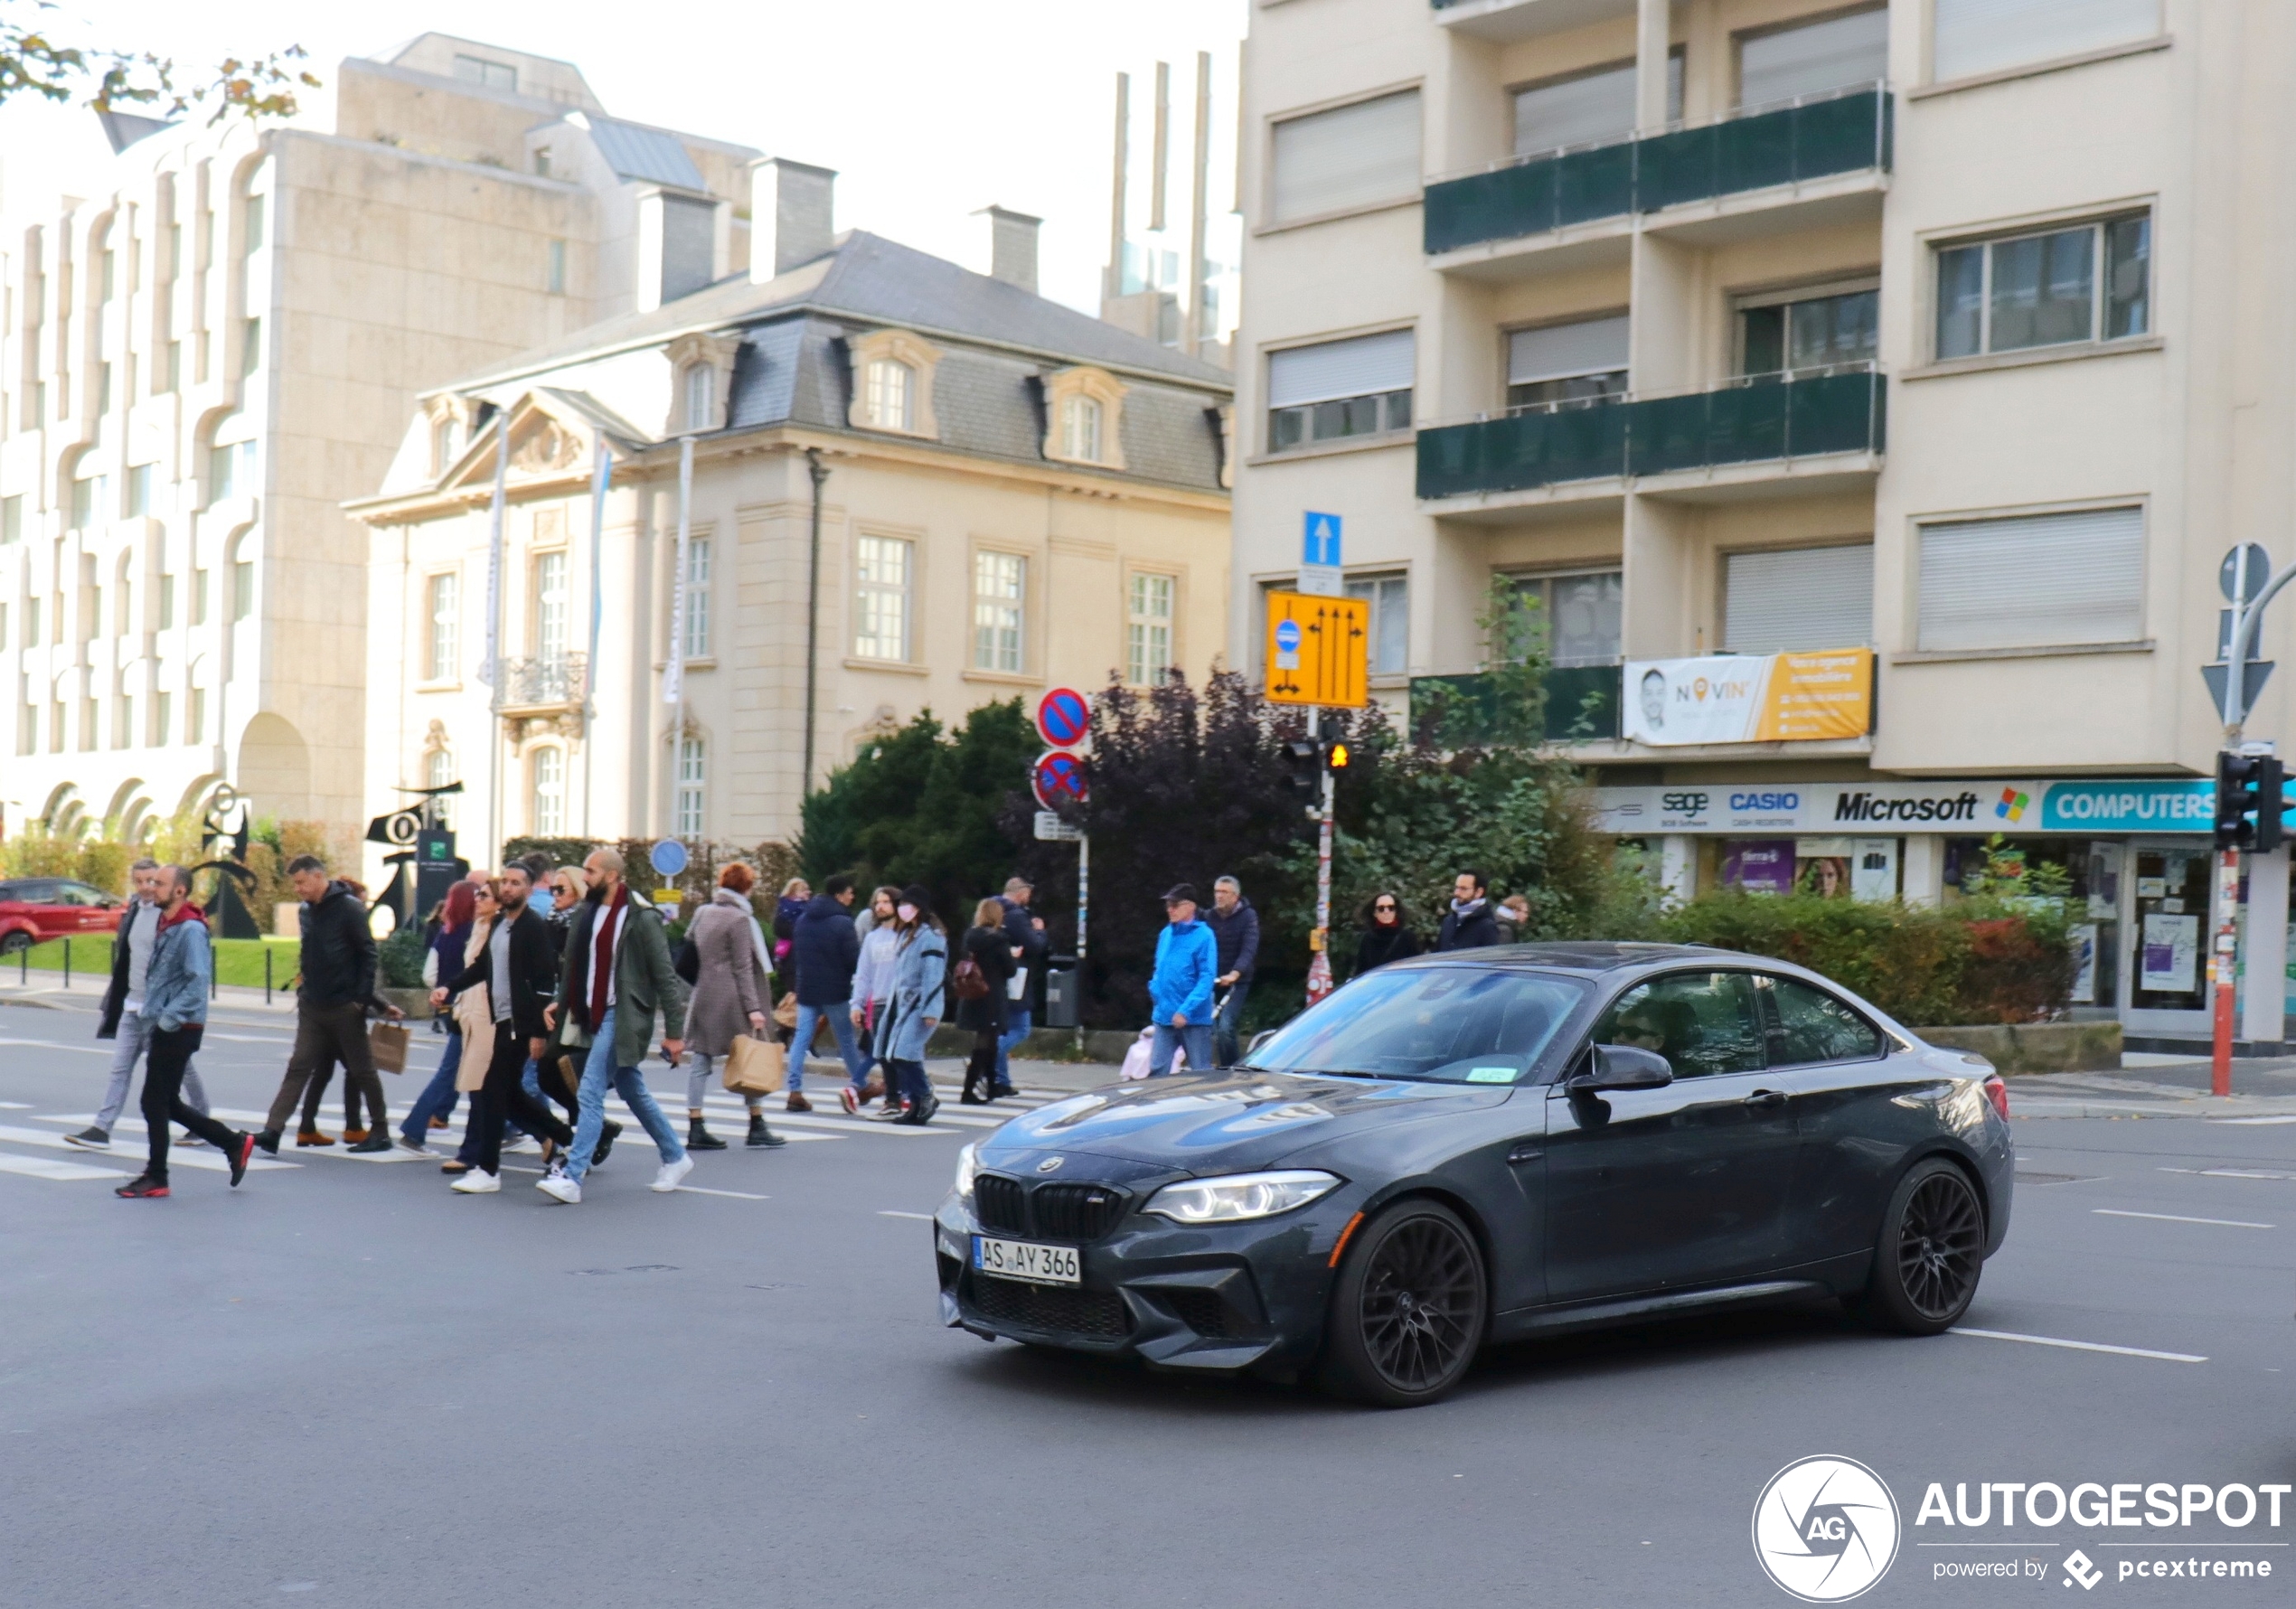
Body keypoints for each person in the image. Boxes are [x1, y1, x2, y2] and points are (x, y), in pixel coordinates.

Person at [538, 846, 693, 1205]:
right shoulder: (588, 912)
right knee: (631, 1088)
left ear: (610, 876)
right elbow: (579, 964)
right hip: (589, 1012)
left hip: (620, 1015)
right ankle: (675, 1155)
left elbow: (665, 977)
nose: (584, 877)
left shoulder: (640, 917)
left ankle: (572, 1177)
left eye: (590, 871)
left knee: (590, 1090)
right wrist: (564, 1000)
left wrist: (674, 1033)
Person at [112, 865, 259, 1198]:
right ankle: (234, 1143)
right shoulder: (170, 923)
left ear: (180, 890)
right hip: (167, 1024)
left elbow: (197, 982)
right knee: (166, 1102)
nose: (152, 887)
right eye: (151, 881)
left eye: (159, 883)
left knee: (154, 1101)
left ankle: (158, 1176)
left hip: (178, 1027)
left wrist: (167, 1018)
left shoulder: (189, 929)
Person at [429, 865, 574, 1194]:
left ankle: (487, 1169)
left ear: (527, 889)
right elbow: (482, 966)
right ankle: (569, 1139)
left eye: (516, 883)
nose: (508, 888)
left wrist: (538, 1032)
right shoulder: (499, 924)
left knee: (494, 1091)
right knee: (508, 1094)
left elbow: (543, 981)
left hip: (520, 1024)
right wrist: (450, 988)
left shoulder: (533, 928)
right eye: (504, 882)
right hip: (502, 1021)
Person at [71, 858, 213, 1151]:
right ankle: (102, 1128)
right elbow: (127, 957)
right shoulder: (136, 910)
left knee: (178, 1073)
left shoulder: (176, 921)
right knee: (120, 1069)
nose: (146, 887)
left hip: (159, 1009)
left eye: (153, 881)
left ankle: (202, 1122)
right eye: (139, 881)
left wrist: (169, 1014)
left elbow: (192, 975)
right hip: (133, 1005)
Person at [254, 856, 392, 1156]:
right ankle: (272, 1131)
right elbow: (309, 952)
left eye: (302, 882)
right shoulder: (307, 911)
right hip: (313, 1004)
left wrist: (363, 999)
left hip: (345, 1004)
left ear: (318, 877)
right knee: (299, 1067)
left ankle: (380, 1130)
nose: (298, 889)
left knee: (362, 1070)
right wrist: (304, 989)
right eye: (295, 883)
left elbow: (368, 954)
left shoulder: (349, 908)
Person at [681, 863, 786, 1151]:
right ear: (746, 888)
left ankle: (695, 1123)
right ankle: (756, 1123)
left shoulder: (703, 912)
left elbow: (689, 948)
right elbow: (742, 967)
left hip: (704, 993)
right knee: (748, 1057)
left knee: (701, 1062)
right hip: (733, 999)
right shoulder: (740, 919)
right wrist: (754, 1008)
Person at [396, 880, 477, 1154]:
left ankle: (429, 1121)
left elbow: (430, 974)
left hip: (448, 1007)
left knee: (455, 1071)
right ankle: (415, 1128)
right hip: (469, 1008)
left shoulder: (447, 932)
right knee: (454, 1072)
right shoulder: (475, 932)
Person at [788, 873, 866, 1113]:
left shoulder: (803, 919)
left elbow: (798, 955)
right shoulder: (843, 922)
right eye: (850, 893)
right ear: (839, 895)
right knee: (845, 1040)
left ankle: (794, 1090)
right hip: (835, 990)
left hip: (807, 988)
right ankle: (860, 1085)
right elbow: (854, 960)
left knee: (801, 1039)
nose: (852, 897)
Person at [872, 884, 946, 1125]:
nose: (903, 909)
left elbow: (933, 976)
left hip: (919, 1004)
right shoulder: (905, 936)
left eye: (908, 905)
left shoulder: (931, 938)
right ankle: (915, 1103)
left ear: (920, 909)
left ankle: (924, 1096)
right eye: (902, 904)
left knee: (905, 1054)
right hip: (902, 1005)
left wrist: (931, 1009)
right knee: (895, 1055)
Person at [842, 886, 901, 1115]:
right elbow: (863, 974)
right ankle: (894, 1098)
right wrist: (856, 1004)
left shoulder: (905, 935)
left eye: (886, 902)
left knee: (902, 1054)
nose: (881, 906)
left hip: (901, 1002)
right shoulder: (872, 939)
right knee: (883, 1054)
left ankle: (906, 1095)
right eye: (877, 903)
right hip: (877, 1002)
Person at [1146, 884, 1217, 1076]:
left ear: (1191, 906)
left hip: (1194, 1019)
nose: (1170, 909)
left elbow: (1206, 978)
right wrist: (1154, 990)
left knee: (1200, 1073)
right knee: (1157, 1072)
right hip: (1164, 1015)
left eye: (1175, 905)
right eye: (1168, 905)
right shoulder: (1165, 934)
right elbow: (1158, 969)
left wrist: (1186, 1011)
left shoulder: (1204, 936)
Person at [992, 876, 1047, 1099]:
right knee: (1020, 1029)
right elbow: (1034, 946)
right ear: (1021, 893)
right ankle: (986, 1058)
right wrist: (1041, 931)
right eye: (1028, 894)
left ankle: (1001, 1081)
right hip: (1017, 977)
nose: (1029, 899)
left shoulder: (992, 911)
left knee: (1003, 1028)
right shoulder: (1016, 915)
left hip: (997, 977)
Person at [956, 898, 1015, 1104]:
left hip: (973, 994)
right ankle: (968, 1090)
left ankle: (991, 1087)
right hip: (992, 996)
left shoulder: (969, 937)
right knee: (984, 1044)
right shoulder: (999, 940)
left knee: (990, 1042)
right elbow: (1010, 970)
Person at [1203, 874, 1259, 1068]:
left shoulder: (1248, 917)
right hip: (1212, 980)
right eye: (1217, 892)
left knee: (1225, 1027)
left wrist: (1236, 973)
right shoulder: (1209, 917)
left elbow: (1249, 948)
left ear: (1235, 896)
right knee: (1206, 1026)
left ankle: (1233, 1068)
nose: (1219, 896)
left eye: (1224, 892)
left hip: (1237, 983)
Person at [1355, 891, 1420, 975]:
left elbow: (1417, 970)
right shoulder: (1368, 939)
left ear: (1396, 911)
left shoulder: (1407, 937)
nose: (1386, 911)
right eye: (1381, 908)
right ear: (1375, 913)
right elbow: (1361, 972)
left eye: (1391, 908)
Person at [770, 877, 810, 1012]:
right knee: (793, 995)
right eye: (803, 890)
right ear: (793, 892)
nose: (807, 893)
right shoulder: (783, 910)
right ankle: (786, 1027)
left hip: (806, 958)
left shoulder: (809, 909)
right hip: (790, 960)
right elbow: (779, 929)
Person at [1436, 870, 1501, 952]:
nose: (1457, 893)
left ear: (1479, 892)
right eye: (1457, 887)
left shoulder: (1487, 926)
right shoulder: (1449, 921)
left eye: (1463, 889)